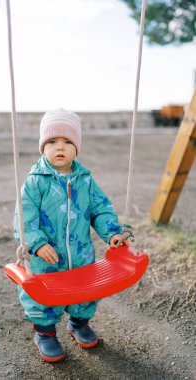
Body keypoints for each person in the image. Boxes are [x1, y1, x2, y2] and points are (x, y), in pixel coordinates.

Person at [14, 108, 129, 362]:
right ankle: (44, 333)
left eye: (68, 142)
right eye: (52, 141)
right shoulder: (36, 182)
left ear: (77, 148)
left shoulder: (85, 180)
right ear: (43, 146)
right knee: (45, 298)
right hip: (47, 260)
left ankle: (78, 323)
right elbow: (25, 218)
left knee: (86, 293)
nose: (60, 147)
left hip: (80, 256)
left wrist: (111, 233)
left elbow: (100, 209)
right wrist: (37, 243)